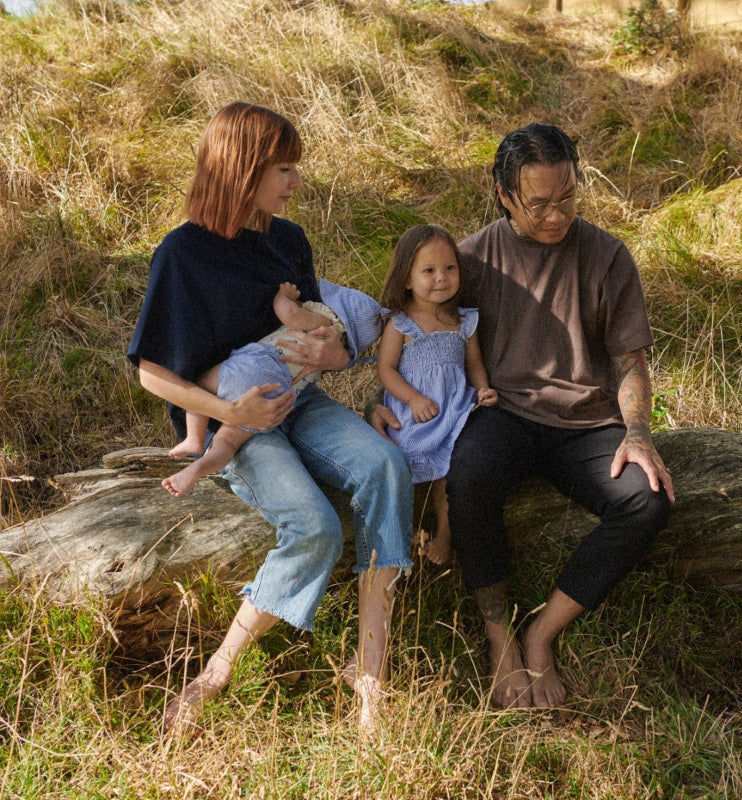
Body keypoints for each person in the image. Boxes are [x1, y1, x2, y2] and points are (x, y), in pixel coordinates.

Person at [127, 102, 413, 734]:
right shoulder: (183, 253)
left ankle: (371, 673)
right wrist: (232, 410)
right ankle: (215, 674)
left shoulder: (289, 241)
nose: (296, 181)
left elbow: (330, 346)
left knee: (386, 466)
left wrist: (332, 351)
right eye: (284, 168)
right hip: (236, 420)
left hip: (301, 399)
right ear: (243, 167)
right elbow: (153, 373)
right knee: (314, 526)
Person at [370, 123, 674, 709]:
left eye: (567, 197)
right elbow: (407, 334)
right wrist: (381, 403)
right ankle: (500, 639)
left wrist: (637, 433)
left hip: (589, 422)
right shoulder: (470, 260)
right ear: (505, 195)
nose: (557, 215)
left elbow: (629, 360)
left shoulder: (608, 256)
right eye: (539, 204)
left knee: (649, 500)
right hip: (502, 413)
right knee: (470, 478)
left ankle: (541, 631)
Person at [162, 278, 383, 498]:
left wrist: (283, 297)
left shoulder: (325, 322)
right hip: (278, 396)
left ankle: (194, 438)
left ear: (338, 313)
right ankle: (199, 469)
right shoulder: (327, 356)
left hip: (258, 366)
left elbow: (290, 315)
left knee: (199, 385)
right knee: (228, 442)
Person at [377, 224, 497, 564]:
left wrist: (483, 389)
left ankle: (445, 533)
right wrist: (413, 398)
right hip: (414, 411)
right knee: (408, 466)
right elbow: (385, 369)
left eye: (449, 268)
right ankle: (414, 530)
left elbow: (474, 364)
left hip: (454, 409)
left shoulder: (463, 321)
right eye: (428, 271)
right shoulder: (400, 324)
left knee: (449, 471)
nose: (441, 278)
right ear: (406, 279)